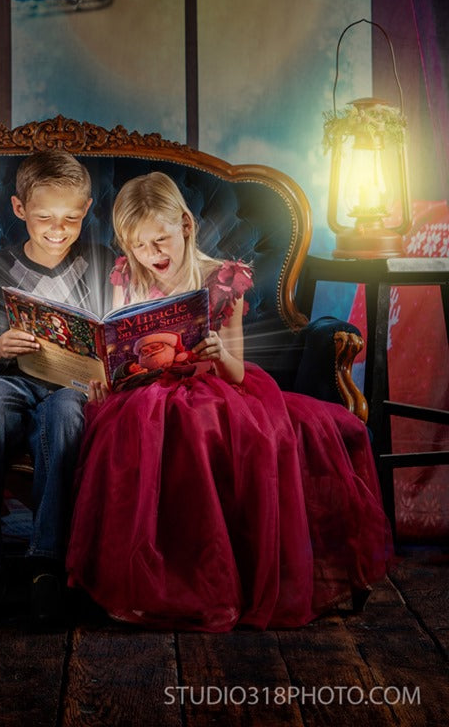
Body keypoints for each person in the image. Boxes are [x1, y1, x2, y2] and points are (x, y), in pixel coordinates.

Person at [66, 172, 393, 632]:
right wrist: (105, 378)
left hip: (214, 388)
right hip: (144, 392)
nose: (152, 255)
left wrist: (220, 355)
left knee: (195, 421)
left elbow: (239, 371)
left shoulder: (222, 280)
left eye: (160, 240)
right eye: (140, 246)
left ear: (184, 225)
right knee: (139, 418)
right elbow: (119, 350)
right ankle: (150, 578)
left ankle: (210, 579)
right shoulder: (127, 275)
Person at [0, 150, 113, 623]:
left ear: (86, 211)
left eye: (71, 218)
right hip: (14, 381)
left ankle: (46, 566)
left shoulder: (101, 264)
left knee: (64, 418)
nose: (58, 229)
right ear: (20, 209)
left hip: (74, 388)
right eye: (44, 217)